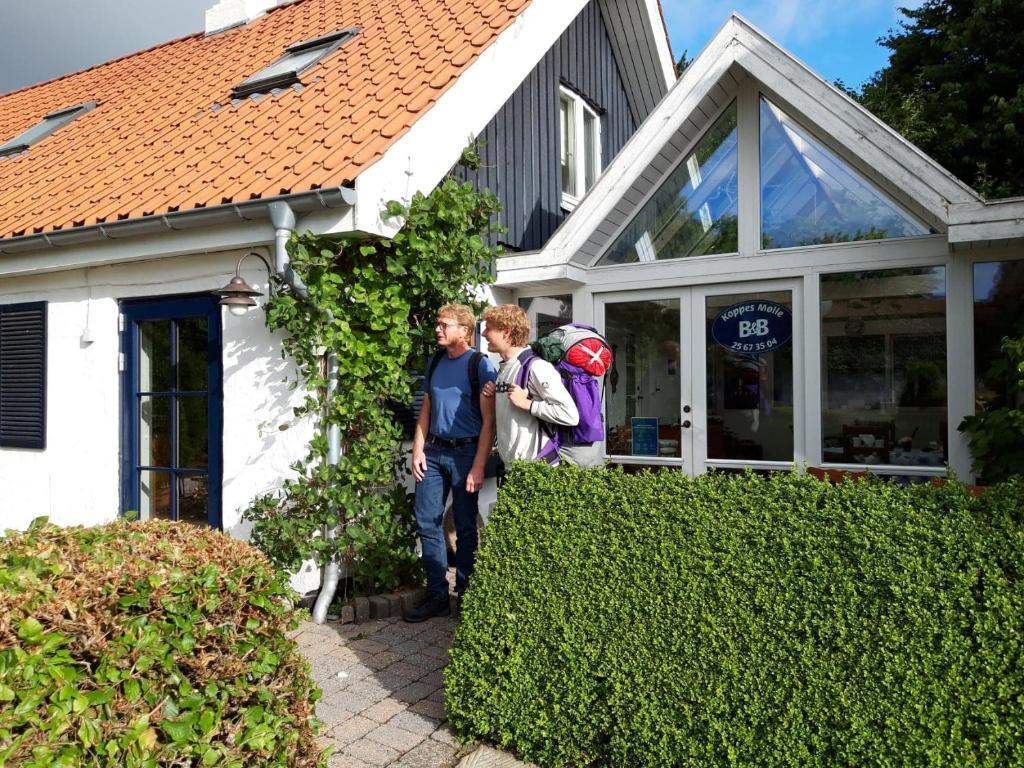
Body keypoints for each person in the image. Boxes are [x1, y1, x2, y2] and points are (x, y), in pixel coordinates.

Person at [403, 304, 497, 623]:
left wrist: (479, 465)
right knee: (427, 521)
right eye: (438, 324)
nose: (438, 329)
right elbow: (426, 410)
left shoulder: (479, 365)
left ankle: (466, 594)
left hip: (466, 454)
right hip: (433, 452)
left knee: (466, 526)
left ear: (465, 330)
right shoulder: (435, 361)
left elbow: (489, 423)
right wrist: (418, 449)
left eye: (445, 325)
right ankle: (437, 595)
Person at [481, 305, 578, 466]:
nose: (483, 334)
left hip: (537, 469)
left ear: (506, 332)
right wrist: (495, 396)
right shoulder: (505, 367)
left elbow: (570, 415)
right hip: (513, 468)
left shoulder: (536, 367)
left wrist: (528, 404)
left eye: (488, 328)